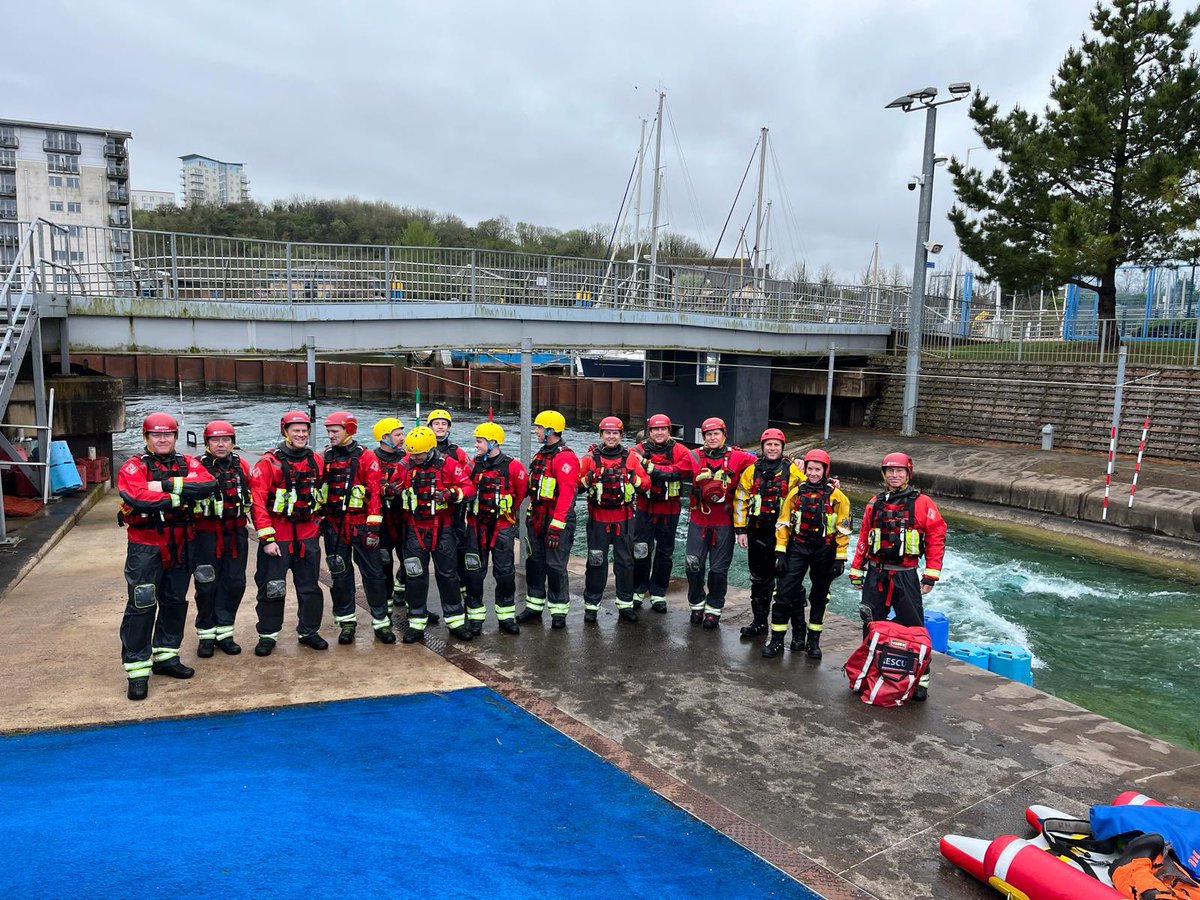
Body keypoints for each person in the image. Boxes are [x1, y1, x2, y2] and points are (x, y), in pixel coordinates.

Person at [117, 412, 216, 700]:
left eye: (168, 434)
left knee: (174, 601)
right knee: (142, 603)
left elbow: (208, 484)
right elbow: (134, 496)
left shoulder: (189, 462)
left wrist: (165, 487)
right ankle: (137, 670)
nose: (162, 439)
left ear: (175, 436)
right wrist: (179, 497)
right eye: (156, 435)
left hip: (181, 544)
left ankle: (166, 656)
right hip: (146, 546)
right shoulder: (133, 466)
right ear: (146, 438)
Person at [848, 451, 946, 701]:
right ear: (883, 474)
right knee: (870, 624)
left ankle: (921, 680)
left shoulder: (923, 503)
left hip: (905, 575)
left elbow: (936, 537)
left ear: (908, 473)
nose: (894, 474)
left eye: (899, 471)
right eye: (889, 471)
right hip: (876, 574)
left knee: (915, 627)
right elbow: (863, 537)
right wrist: (857, 569)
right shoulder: (874, 502)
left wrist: (930, 574)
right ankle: (869, 671)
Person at [387, 425, 475, 643]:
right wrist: (388, 491)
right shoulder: (404, 465)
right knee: (415, 576)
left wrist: (451, 494)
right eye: (411, 453)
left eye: (418, 453)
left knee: (447, 575)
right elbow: (389, 486)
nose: (414, 457)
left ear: (430, 449)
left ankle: (455, 621)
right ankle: (416, 621)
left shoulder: (448, 465)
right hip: (413, 530)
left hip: (442, 529)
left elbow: (469, 488)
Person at [250, 410, 327, 657]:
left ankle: (309, 631)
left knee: (310, 587)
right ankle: (268, 635)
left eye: (305, 430)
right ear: (285, 432)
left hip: (307, 534)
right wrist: (267, 538)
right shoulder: (268, 463)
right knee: (272, 587)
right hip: (279, 535)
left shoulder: (316, 460)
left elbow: (321, 493)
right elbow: (258, 502)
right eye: (296, 430)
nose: (301, 434)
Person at [768, 448, 852, 659]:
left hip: (824, 550)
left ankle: (813, 641)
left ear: (825, 471)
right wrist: (780, 552)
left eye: (817, 469)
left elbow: (843, 529)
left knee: (819, 596)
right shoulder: (795, 493)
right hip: (798, 547)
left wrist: (840, 557)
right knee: (783, 593)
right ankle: (777, 640)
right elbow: (784, 522)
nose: (813, 473)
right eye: (810, 468)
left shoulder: (838, 497)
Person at [319, 411, 393, 645]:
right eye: (328, 431)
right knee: (340, 575)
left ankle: (381, 622)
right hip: (335, 526)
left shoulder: (366, 457)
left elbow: (374, 494)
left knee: (374, 575)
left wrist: (373, 530)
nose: (330, 435)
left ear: (349, 431)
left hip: (361, 525)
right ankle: (346, 622)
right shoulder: (325, 457)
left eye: (335, 431)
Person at [686, 417, 756, 628]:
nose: (712, 437)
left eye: (716, 433)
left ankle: (714, 609)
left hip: (724, 523)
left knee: (718, 570)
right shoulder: (693, 457)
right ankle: (697, 603)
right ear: (703, 437)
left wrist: (796, 462)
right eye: (708, 434)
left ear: (724, 435)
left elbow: (766, 463)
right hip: (699, 519)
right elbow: (670, 467)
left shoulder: (738, 457)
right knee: (692, 565)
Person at [578, 416, 649, 623]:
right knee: (596, 561)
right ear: (601, 435)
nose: (611, 436)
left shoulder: (631, 459)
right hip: (598, 519)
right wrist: (588, 478)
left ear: (621, 435)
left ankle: (625, 605)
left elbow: (646, 484)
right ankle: (591, 606)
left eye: (615, 433)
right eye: (607, 433)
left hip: (624, 520)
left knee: (625, 563)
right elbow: (576, 487)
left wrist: (634, 479)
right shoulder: (590, 459)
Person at [191, 419, 252, 658]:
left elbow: (253, 497)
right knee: (207, 585)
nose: (220, 444)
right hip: (206, 534)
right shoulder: (195, 467)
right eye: (215, 440)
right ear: (207, 443)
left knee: (234, 583)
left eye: (225, 439)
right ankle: (206, 634)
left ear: (232, 442)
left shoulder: (242, 466)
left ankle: (225, 632)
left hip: (236, 533)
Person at [732, 428, 801, 639]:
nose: (772, 448)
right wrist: (740, 530)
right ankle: (759, 623)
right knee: (759, 580)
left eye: (776, 445)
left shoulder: (794, 472)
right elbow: (741, 500)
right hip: (758, 533)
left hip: (785, 535)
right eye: (768, 444)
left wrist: (832, 482)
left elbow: (812, 487)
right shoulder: (752, 471)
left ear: (782, 448)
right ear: (762, 447)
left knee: (788, 583)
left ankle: (794, 632)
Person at [463, 421, 528, 635]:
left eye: (479, 441)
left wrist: (506, 513)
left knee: (505, 573)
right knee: (474, 572)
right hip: (475, 526)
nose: (476, 445)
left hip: (502, 527)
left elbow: (521, 491)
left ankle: (506, 616)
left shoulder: (512, 466)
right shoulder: (473, 465)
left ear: (492, 442)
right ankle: (475, 618)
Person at [518, 410, 579, 629]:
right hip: (537, 519)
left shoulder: (566, 458)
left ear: (550, 430)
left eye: (539, 428)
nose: (536, 431)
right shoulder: (541, 455)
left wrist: (556, 526)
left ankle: (558, 611)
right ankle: (534, 607)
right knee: (534, 563)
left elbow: (567, 495)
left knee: (555, 566)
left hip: (556, 522)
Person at [630, 413, 693, 614]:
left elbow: (679, 471)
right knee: (640, 549)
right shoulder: (636, 451)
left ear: (669, 431)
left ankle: (658, 592)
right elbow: (629, 466)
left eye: (663, 429)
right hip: (644, 508)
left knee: (665, 553)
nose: (659, 432)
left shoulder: (681, 451)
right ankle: (638, 589)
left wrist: (650, 467)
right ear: (649, 432)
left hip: (669, 509)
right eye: (655, 429)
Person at [427, 408, 473, 605]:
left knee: (458, 549)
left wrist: (453, 494)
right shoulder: (419, 451)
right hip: (426, 513)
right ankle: (402, 591)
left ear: (449, 428)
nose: (440, 427)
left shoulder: (457, 452)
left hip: (453, 510)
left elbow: (468, 476)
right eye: (436, 423)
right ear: (429, 427)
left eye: (443, 423)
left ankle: (461, 587)